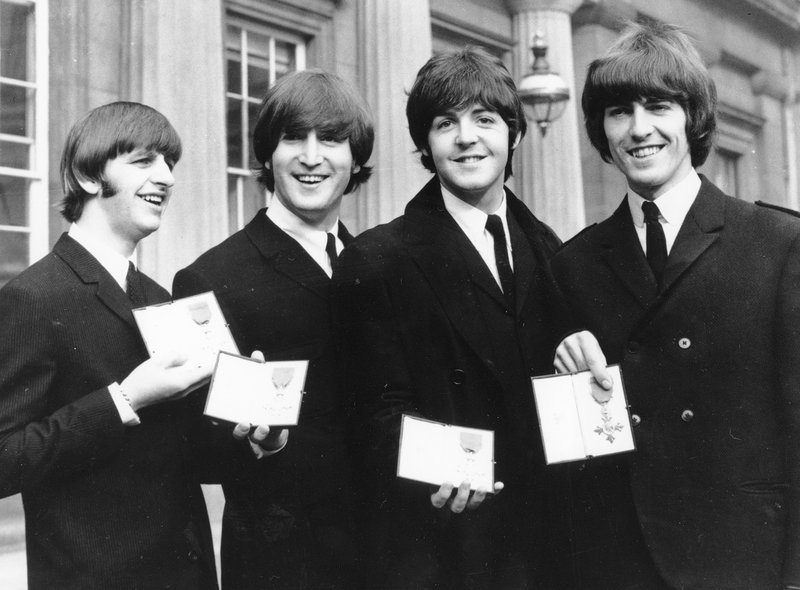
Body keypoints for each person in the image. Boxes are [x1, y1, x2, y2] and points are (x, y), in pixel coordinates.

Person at [550, 21, 800, 589]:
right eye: (619, 112)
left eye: (658, 106)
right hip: (618, 561)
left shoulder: (777, 244)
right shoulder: (573, 266)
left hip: (743, 555)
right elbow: (576, 447)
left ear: (693, 118)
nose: (639, 130)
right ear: (602, 132)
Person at [332, 46, 572, 589]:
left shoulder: (553, 251)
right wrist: (443, 468)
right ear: (425, 143)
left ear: (513, 135)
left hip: (547, 545)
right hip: (441, 546)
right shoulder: (377, 260)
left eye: (484, 120)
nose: (466, 138)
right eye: (446, 123)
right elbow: (371, 414)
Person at [0, 102, 218, 589]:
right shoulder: (31, 298)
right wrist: (124, 399)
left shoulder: (161, 299)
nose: (167, 177)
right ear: (88, 175)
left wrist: (252, 425)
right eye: (144, 161)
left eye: (170, 164)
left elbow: (183, 455)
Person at [172, 69, 374, 590]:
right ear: (267, 155)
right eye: (293, 138)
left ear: (355, 160)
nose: (312, 156)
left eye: (330, 139)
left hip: (384, 548)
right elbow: (196, 447)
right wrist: (263, 443)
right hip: (283, 561)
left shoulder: (380, 264)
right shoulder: (210, 278)